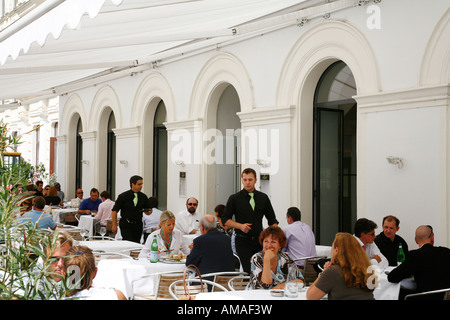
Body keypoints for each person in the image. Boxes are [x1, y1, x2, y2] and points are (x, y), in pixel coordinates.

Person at [222, 168, 279, 274]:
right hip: (242, 241)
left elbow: (272, 221)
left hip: (259, 241)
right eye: (245, 180)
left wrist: (275, 239)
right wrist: (240, 226)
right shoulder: (234, 198)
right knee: (250, 270)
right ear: (242, 181)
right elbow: (225, 220)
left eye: (250, 180)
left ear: (255, 180)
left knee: (262, 270)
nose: (247, 182)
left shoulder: (263, 198)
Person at [306, 232, 375, 300]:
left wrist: (324, 272)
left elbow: (310, 297)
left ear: (336, 250)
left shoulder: (333, 271)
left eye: (332, 247)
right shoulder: (366, 269)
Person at [387, 225, 450, 300]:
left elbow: (392, 277)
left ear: (415, 240)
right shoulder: (446, 252)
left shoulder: (414, 255)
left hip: (423, 296)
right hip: (444, 295)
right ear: (432, 238)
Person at [249, 225, 304, 290]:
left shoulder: (286, 258)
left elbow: (301, 281)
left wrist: (284, 285)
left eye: (273, 242)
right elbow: (265, 286)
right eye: (266, 241)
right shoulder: (257, 258)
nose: (269, 246)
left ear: (280, 245)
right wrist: (266, 260)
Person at [112, 176, 148, 243]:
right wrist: (114, 225)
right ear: (132, 184)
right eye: (139, 184)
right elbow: (114, 210)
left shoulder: (143, 197)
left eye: (142, 184)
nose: (141, 186)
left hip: (138, 225)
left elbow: (147, 211)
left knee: (136, 243)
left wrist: (148, 211)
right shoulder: (123, 196)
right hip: (126, 224)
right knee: (127, 243)